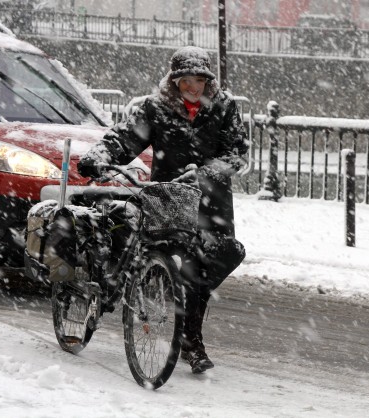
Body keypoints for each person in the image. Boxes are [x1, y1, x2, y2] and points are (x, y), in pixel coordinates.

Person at [77, 46, 248, 374]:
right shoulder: (155, 108)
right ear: (175, 81)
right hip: (169, 198)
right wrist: (99, 156)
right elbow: (124, 139)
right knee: (179, 262)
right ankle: (192, 339)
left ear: (209, 81)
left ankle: (188, 329)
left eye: (200, 80)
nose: (194, 87)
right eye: (187, 81)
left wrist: (205, 173)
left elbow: (237, 152)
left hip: (213, 201)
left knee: (221, 256)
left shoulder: (224, 107)